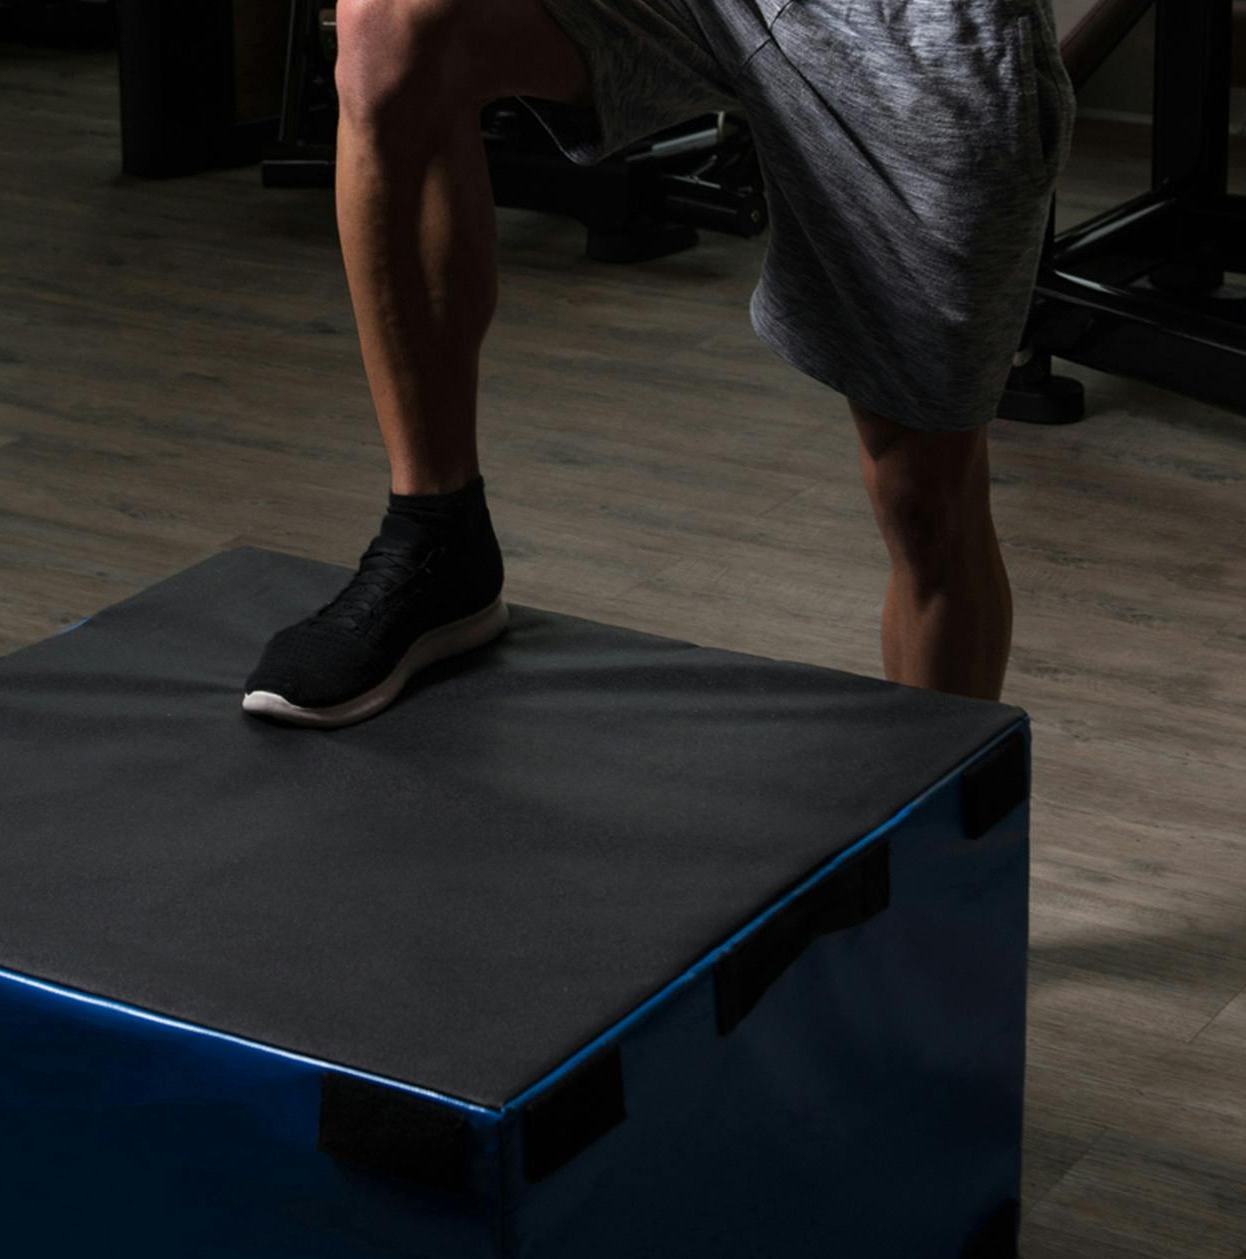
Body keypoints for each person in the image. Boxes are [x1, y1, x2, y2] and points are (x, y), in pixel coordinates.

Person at [240, 0, 1077, 728]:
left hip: (904, 30)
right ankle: (436, 538)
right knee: (390, 26)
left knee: (925, 496)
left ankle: (944, 873)